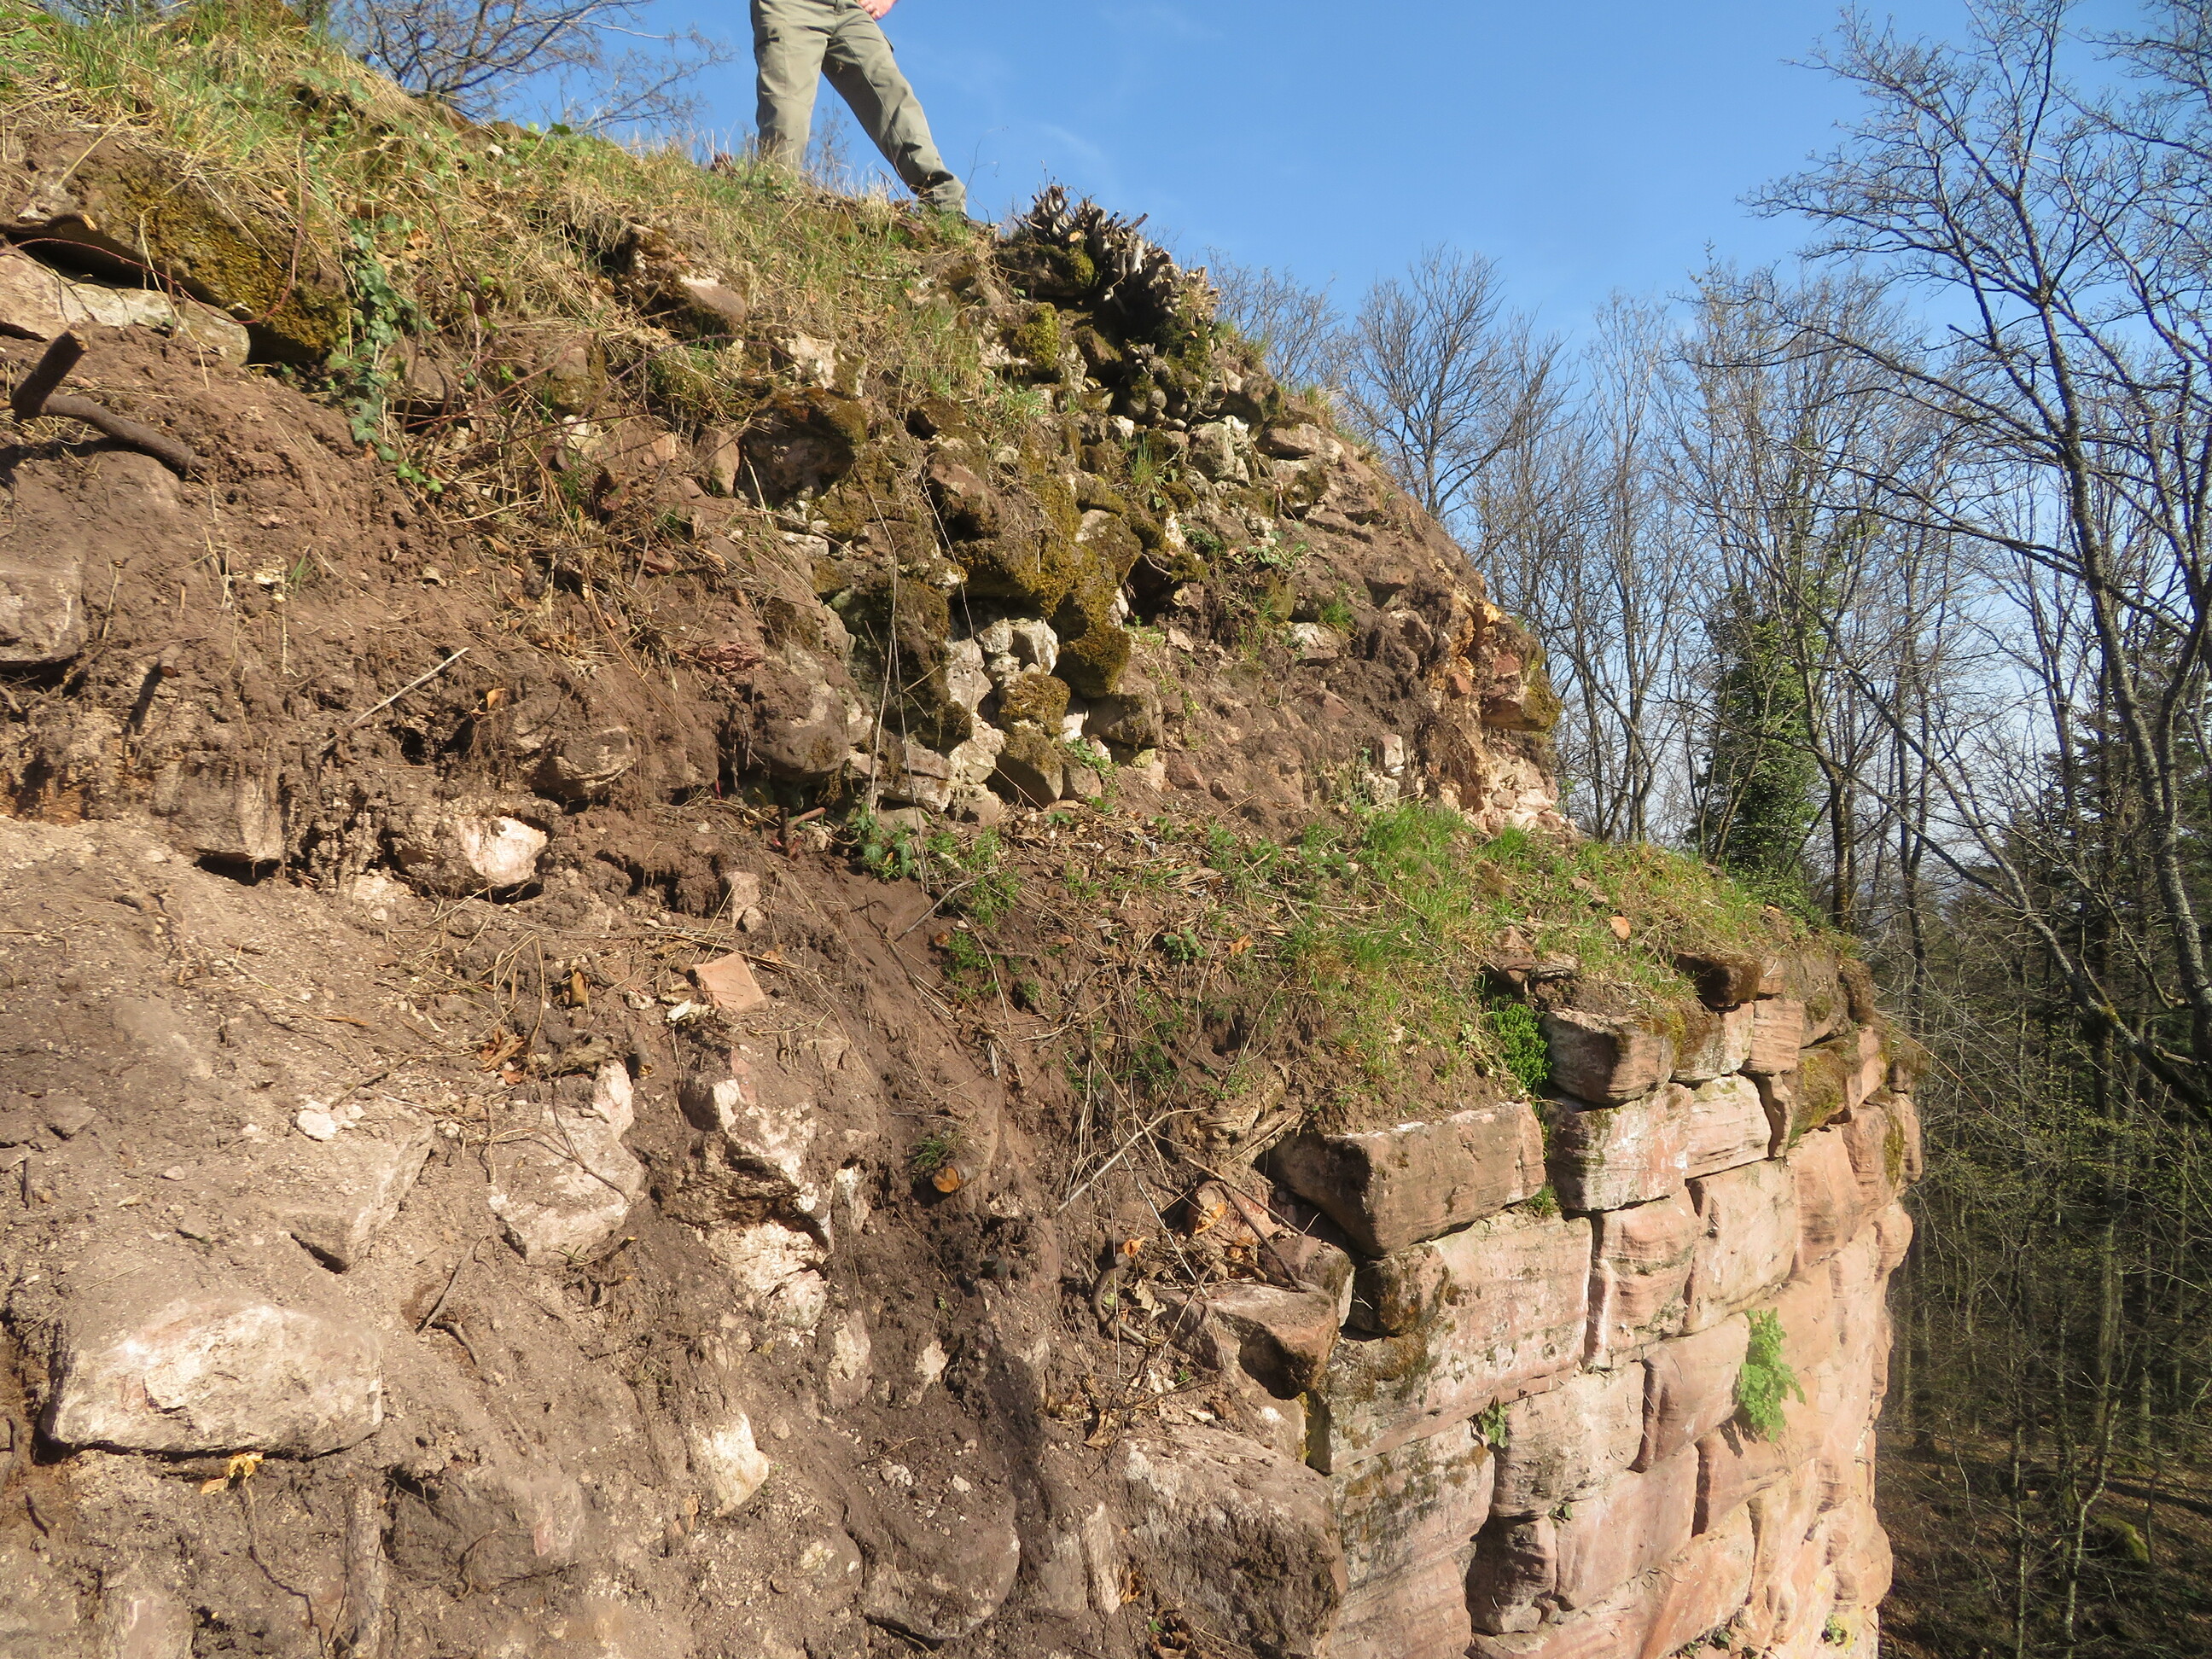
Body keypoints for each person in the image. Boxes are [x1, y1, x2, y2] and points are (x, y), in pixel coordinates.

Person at [752, 0, 967, 218]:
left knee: (892, 94)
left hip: (851, 10)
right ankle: (775, 206)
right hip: (791, 6)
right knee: (788, 114)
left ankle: (945, 205)